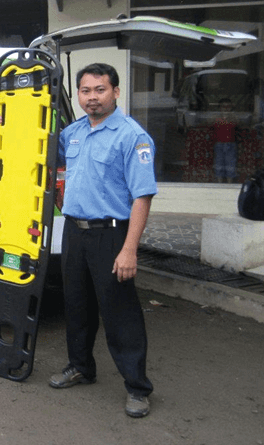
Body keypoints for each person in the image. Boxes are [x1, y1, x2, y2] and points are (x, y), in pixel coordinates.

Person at [48, 63, 157, 418]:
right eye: (85, 91)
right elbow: (51, 162)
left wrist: (129, 250)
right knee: (77, 306)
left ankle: (137, 388)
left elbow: (142, 196)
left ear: (115, 92)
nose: (91, 98)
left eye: (99, 90)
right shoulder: (73, 133)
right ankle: (80, 366)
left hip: (112, 234)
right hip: (75, 233)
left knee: (119, 313)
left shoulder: (132, 136)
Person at [211, 98, 238, 183]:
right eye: (223, 106)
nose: (226, 108)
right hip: (219, 144)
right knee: (219, 163)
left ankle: (229, 184)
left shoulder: (234, 116)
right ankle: (220, 183)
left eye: (228, 106)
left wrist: (229, 117)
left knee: (230, 164)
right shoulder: (215, 117)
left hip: (231, 144)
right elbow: (210, 122)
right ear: (220, 107)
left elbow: (237, 122)